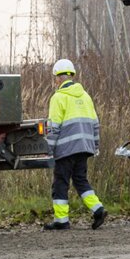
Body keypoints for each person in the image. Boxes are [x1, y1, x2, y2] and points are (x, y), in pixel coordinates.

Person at [44, 59, 107, 230]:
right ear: (71, 76)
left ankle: (61, 221)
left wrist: (48, 149)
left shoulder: (58, 98)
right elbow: (95, 124)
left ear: (58, 78)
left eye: (55, 78)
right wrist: (95, 145)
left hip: (66, 149)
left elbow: (54, 127)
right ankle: (98, 209)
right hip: (85, 147)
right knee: (80, 180)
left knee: (60, 183)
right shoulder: (85, 96)